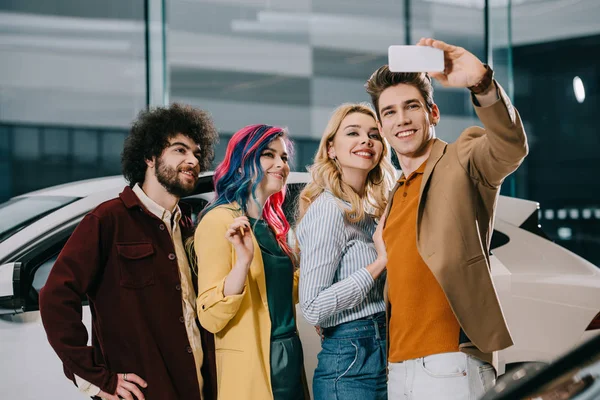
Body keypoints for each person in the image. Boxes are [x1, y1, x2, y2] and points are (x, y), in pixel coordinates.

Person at [364, 38, 528, 399]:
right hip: (398, 368)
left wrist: (481, 83)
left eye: (411, 107)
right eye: (389, 112)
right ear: (381, 124)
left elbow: (509, 146)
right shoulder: (396, 192)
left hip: (450, 365)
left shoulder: (462, 159)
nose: (402, 119)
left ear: (432, 113)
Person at [39, 104, 219, 400]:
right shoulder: (108, 220)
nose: (192, 160)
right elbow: (56, 296)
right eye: (179, 150)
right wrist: (96, 380)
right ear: (149, 156)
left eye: (197, 154)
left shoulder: (190, 226)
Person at [192, 124, 308, 400]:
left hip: (288, 356)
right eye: (269, 154)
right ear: (242, 164)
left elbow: (284, 293)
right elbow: (210, 315)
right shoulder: (219, 221)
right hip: (252, 363)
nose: (280, 164)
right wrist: (243, 263)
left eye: (284, 157)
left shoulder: (275, 226)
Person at [296, 103, 396, 399]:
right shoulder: (328, 209)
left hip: (380, 348)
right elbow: (313, 306)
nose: (366, 140)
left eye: (374, 135)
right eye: (353, 133)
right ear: (331, 149)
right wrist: (379, 263)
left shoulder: (371, 210)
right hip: (349, 361)